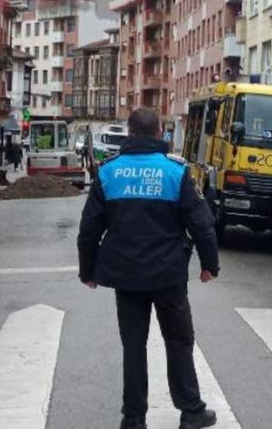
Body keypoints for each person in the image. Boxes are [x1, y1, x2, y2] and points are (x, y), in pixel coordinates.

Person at [78, 107, 221, 429]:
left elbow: (89, 229)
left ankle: (133, 419)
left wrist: (87, 271)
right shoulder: (176, 172)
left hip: (126, 276)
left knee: (133, 345)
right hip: (168, 275)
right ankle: (191, 411)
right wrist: (209, 266)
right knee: (179, 342)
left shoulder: (108, 172)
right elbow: (202, 224)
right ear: (160, 134)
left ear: (129, 133)